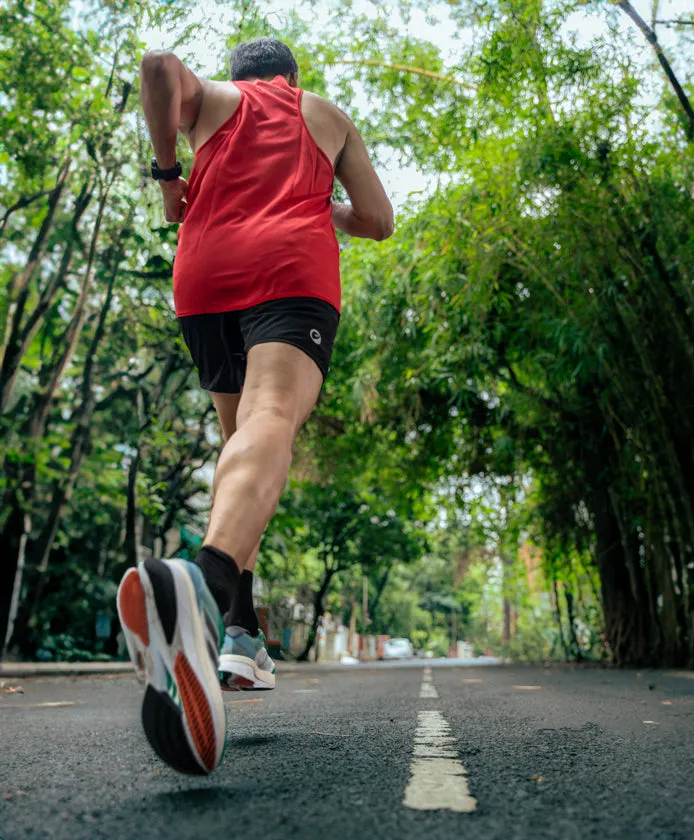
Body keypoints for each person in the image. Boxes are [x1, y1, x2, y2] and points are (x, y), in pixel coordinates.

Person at [116, 37, 393, 776]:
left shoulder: (211, 102)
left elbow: (155, 66)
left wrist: (169, 175)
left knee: (241, 447)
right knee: (272, 419)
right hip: (288, 273)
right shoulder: (322, 113)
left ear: (235, 77)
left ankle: (240, 633)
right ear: (291, 78)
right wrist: (323, 209)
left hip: (204, 279)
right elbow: (378, 218)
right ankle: (204, 592)